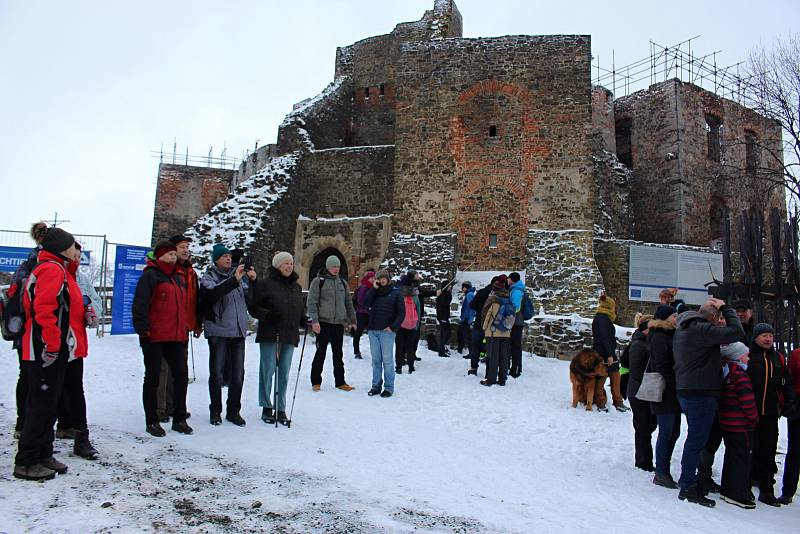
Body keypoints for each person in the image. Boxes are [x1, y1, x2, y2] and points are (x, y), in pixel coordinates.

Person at [13, 228, 87, 480]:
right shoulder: (51, 270)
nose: (75, 248)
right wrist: (53, 345)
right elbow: (45, 310)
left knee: (50, 403)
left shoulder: (57, 268)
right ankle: (26, 461)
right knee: (41, 405)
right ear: (60, 248)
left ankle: (43, 454)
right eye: (70, 244)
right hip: (43, 348)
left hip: (51, 347)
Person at [672, 298, 744, 507]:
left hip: (687, 389)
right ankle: (687, 486)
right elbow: (736, 332)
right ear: (713, 316)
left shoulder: (685, 326)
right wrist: (726, 308)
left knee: (695, 439)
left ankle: (690, 480)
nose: (721, 321)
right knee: (696, 441)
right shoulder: (701, 329)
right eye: (719, 317)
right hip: (700, 392)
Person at [133, 240, 192, 437]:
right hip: (154, 336)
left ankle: (179, 417)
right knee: (153, 377)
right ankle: (152, 420)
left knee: (181, 375)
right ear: (159, 257)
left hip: (175, 336)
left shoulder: (177, 277)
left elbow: (181, 308)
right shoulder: (150, 276)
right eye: (169, 255)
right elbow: (140, 305)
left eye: (174, 254)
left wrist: (183, 330)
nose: (173, 257)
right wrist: (143, 331)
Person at [200, 243, 256, 426]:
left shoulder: (237, 277)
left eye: (229, 256)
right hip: (219, 330)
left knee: (238, 374)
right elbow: (213, 294)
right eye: (224, 256)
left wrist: (253, 281)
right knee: (216, 373)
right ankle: (215, 411)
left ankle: (233, 411)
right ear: (216, 259)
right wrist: (235, 280)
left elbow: (250, 300)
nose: (228, 258)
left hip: (238, 332)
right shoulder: (209, 277)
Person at [248, 252, 305, 425]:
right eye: (285, 264)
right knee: (268, 370)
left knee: (284, 372)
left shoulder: (296, 287)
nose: (289, 266)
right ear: (277, 266)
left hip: (289, 334)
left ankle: (281, 408)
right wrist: (267, 316)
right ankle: (267, 406)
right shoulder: (266, 285)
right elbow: (253, 307)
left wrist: (304, 319)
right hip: (270, 333)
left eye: (291, 263)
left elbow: (298, 309)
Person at [747, 323, 795, 506]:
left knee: (768, 451)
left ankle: (767, 490)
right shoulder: (749, 356)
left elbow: (787, 382)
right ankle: (745, 483)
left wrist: (789, 401)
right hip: (749, 412)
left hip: (770, 413)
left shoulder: (778, 358)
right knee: (748, 449)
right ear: (756, 337)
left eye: (771, 336)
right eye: (764, 335)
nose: (768, 339)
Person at [155, 234, 202, 423]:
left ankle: (175, 406)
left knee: (180, 370)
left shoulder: (189, 272)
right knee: (163, 370)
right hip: (166, 327)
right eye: (181, 246)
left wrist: (197, 322)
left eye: (187, 247)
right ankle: (160, 408)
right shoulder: (166, 272)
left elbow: (194, 299)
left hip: (183, 327)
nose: (185, 250)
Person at [8, 222, 48, 440]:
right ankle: (28, 424)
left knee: (27, 376)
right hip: (32, 331)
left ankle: (24, 423)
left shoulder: (26, 265)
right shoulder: (37, 266)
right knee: (34, 378)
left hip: (24, 330)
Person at [717, 341, 759, 508]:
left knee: (732, 455)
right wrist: (753, 419)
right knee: (741, 458)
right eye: (745, 355)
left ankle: (727, 488)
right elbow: (747, 402)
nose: (748, 358)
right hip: (740, 425)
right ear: (737, 357)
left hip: (728, 423)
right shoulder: (740, 375)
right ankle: (737, 492)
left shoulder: (727, 372)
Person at [307, 255, 356, 391]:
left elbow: (348, 303)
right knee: (320, 352)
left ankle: (340, 382)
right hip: (323, 323)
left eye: (338, 267)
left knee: (338, 354)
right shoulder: (318, 282)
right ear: (328, 267)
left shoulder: (343, 283)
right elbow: (312, 302)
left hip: (338, 323)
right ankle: (316, 381)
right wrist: (315, 321)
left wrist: (352, 320)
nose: (336, 269)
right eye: (334, 266)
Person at [649, 305, 681, 488]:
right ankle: (661, 471)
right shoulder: (660, 337)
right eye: (674, 316)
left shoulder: (669, 335)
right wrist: (675, 382)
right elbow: (662, 365)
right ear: (665, 318)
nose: (677, 318)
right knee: (667, 431)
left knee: (673, 432)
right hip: (664, 391)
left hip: (671, 391)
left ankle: (663, 469)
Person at [365, 270, 404, 397]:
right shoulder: (375, 292)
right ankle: (376, 386)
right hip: (373, 330)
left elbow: (401, 313)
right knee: (376, 360)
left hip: (387, 332)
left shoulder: (396, 293)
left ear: (388, 279)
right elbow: (365, 304)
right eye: (380, 278)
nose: (382, 280)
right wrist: (373, 289)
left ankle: (388, 387)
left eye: (384, 278)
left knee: (387, 361)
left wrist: (393, 327)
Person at [625, 313, 656, 472]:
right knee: (643, 427)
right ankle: (643, 462)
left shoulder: (644, 342)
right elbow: (636, 372)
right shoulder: (639, 344)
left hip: (644, 391)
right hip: (639, 392)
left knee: (647, 426)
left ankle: (645, 460)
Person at [591, 293, 628, 412]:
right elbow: (604, 338)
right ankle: (600, 402)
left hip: (607, 352)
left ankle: (618, 401)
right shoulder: (602, 318)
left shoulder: (603, 317)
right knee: (601, 378)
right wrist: (609, 355)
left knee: (615, 377)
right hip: (603, 354)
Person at [480, 275, 511, 387]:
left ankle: (491, 379)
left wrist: (484, 328)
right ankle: (502, 379)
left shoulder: (493, 299)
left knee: (493, 356)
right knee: (504, 357)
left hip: (493, 332)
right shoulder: (509, 299)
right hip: (506, 332)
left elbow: (486, 315)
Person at [781, 347, 800, 504]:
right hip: (798, 404)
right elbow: (789, 379)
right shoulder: (797, 354)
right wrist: (790, 402)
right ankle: (788, 490)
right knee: (795, 450)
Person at [468, 277, 498, 376]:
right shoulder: (498, 294)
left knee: (475, 346)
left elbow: (472, 305)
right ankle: (489, 372)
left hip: (478, 324)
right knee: (490, 348)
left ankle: (473, 368)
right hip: (491, 326)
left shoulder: (482, 292)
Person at [395, 273, 420, 374]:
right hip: (412, 324)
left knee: (399, 346)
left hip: (401, 324)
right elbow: (418, 309)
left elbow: (395, 310)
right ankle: (411, 367)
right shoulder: (415, 295)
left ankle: (399, 367)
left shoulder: (399, 294)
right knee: (410, 346)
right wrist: (417, 324)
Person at [352, 270, 375, 360]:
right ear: (367, 278)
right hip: (362, 314)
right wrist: (368, 307)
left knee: (372, 333)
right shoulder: (364, 287)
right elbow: (360, 301)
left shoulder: (372, 287)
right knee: (358, 333)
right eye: (371, 278)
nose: (373, 279)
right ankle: (356, 352)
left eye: (374, 278)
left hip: (369, 314)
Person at [508, 272, 526, 378]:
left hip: (516, 323)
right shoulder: (517, 289)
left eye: (509, 278)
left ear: (512, 280)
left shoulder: (517, 291)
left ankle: (515, 370)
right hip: (517, 322)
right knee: (515, 346)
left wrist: (508, 317)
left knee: (515, 346)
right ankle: (516, 368)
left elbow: (516, 307)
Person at [435, 280, 453, 357]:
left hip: (445, 316)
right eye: (449, 287)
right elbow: (444, 304)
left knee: (448, 332)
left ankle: (442, 347)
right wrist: (449, 294)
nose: (450, 288)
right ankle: (441, 351)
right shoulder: (443, 295)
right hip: (442, 316)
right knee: (444, 333)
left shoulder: (446, 294)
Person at [457, 282, 475, 356]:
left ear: (465, 288)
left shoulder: (469, 295)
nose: (462, 289)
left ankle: (471, 352)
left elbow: (471, 306)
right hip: (465, 318)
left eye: (462, 288)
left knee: (466, 335)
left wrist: (466, 318)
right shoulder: (469, 294)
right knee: (461, 333)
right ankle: (460, 349)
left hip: (466, 318)